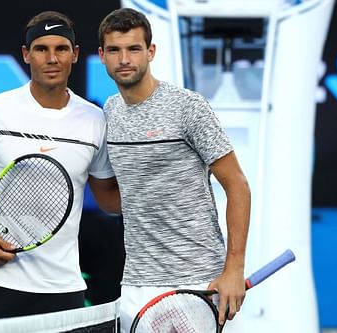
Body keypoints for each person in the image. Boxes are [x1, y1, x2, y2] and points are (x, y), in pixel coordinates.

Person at [0, 10, 120, 322]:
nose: (52, 58)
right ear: (26, 54)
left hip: (63, 290)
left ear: (74, 55)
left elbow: (109, 200)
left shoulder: (95, 121)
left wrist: (165, 188)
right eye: (42, 49)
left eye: (61, 49)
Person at [98, 8, 251, 332]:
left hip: (198, 281)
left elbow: (237, 185)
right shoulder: (109, 112)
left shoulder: (188, 107)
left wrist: (234, 269)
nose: (124, 58)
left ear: (150, 52)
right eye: (115, 50)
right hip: (136, 284)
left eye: (134, 49)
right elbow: (114, 201)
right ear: (102, 56)